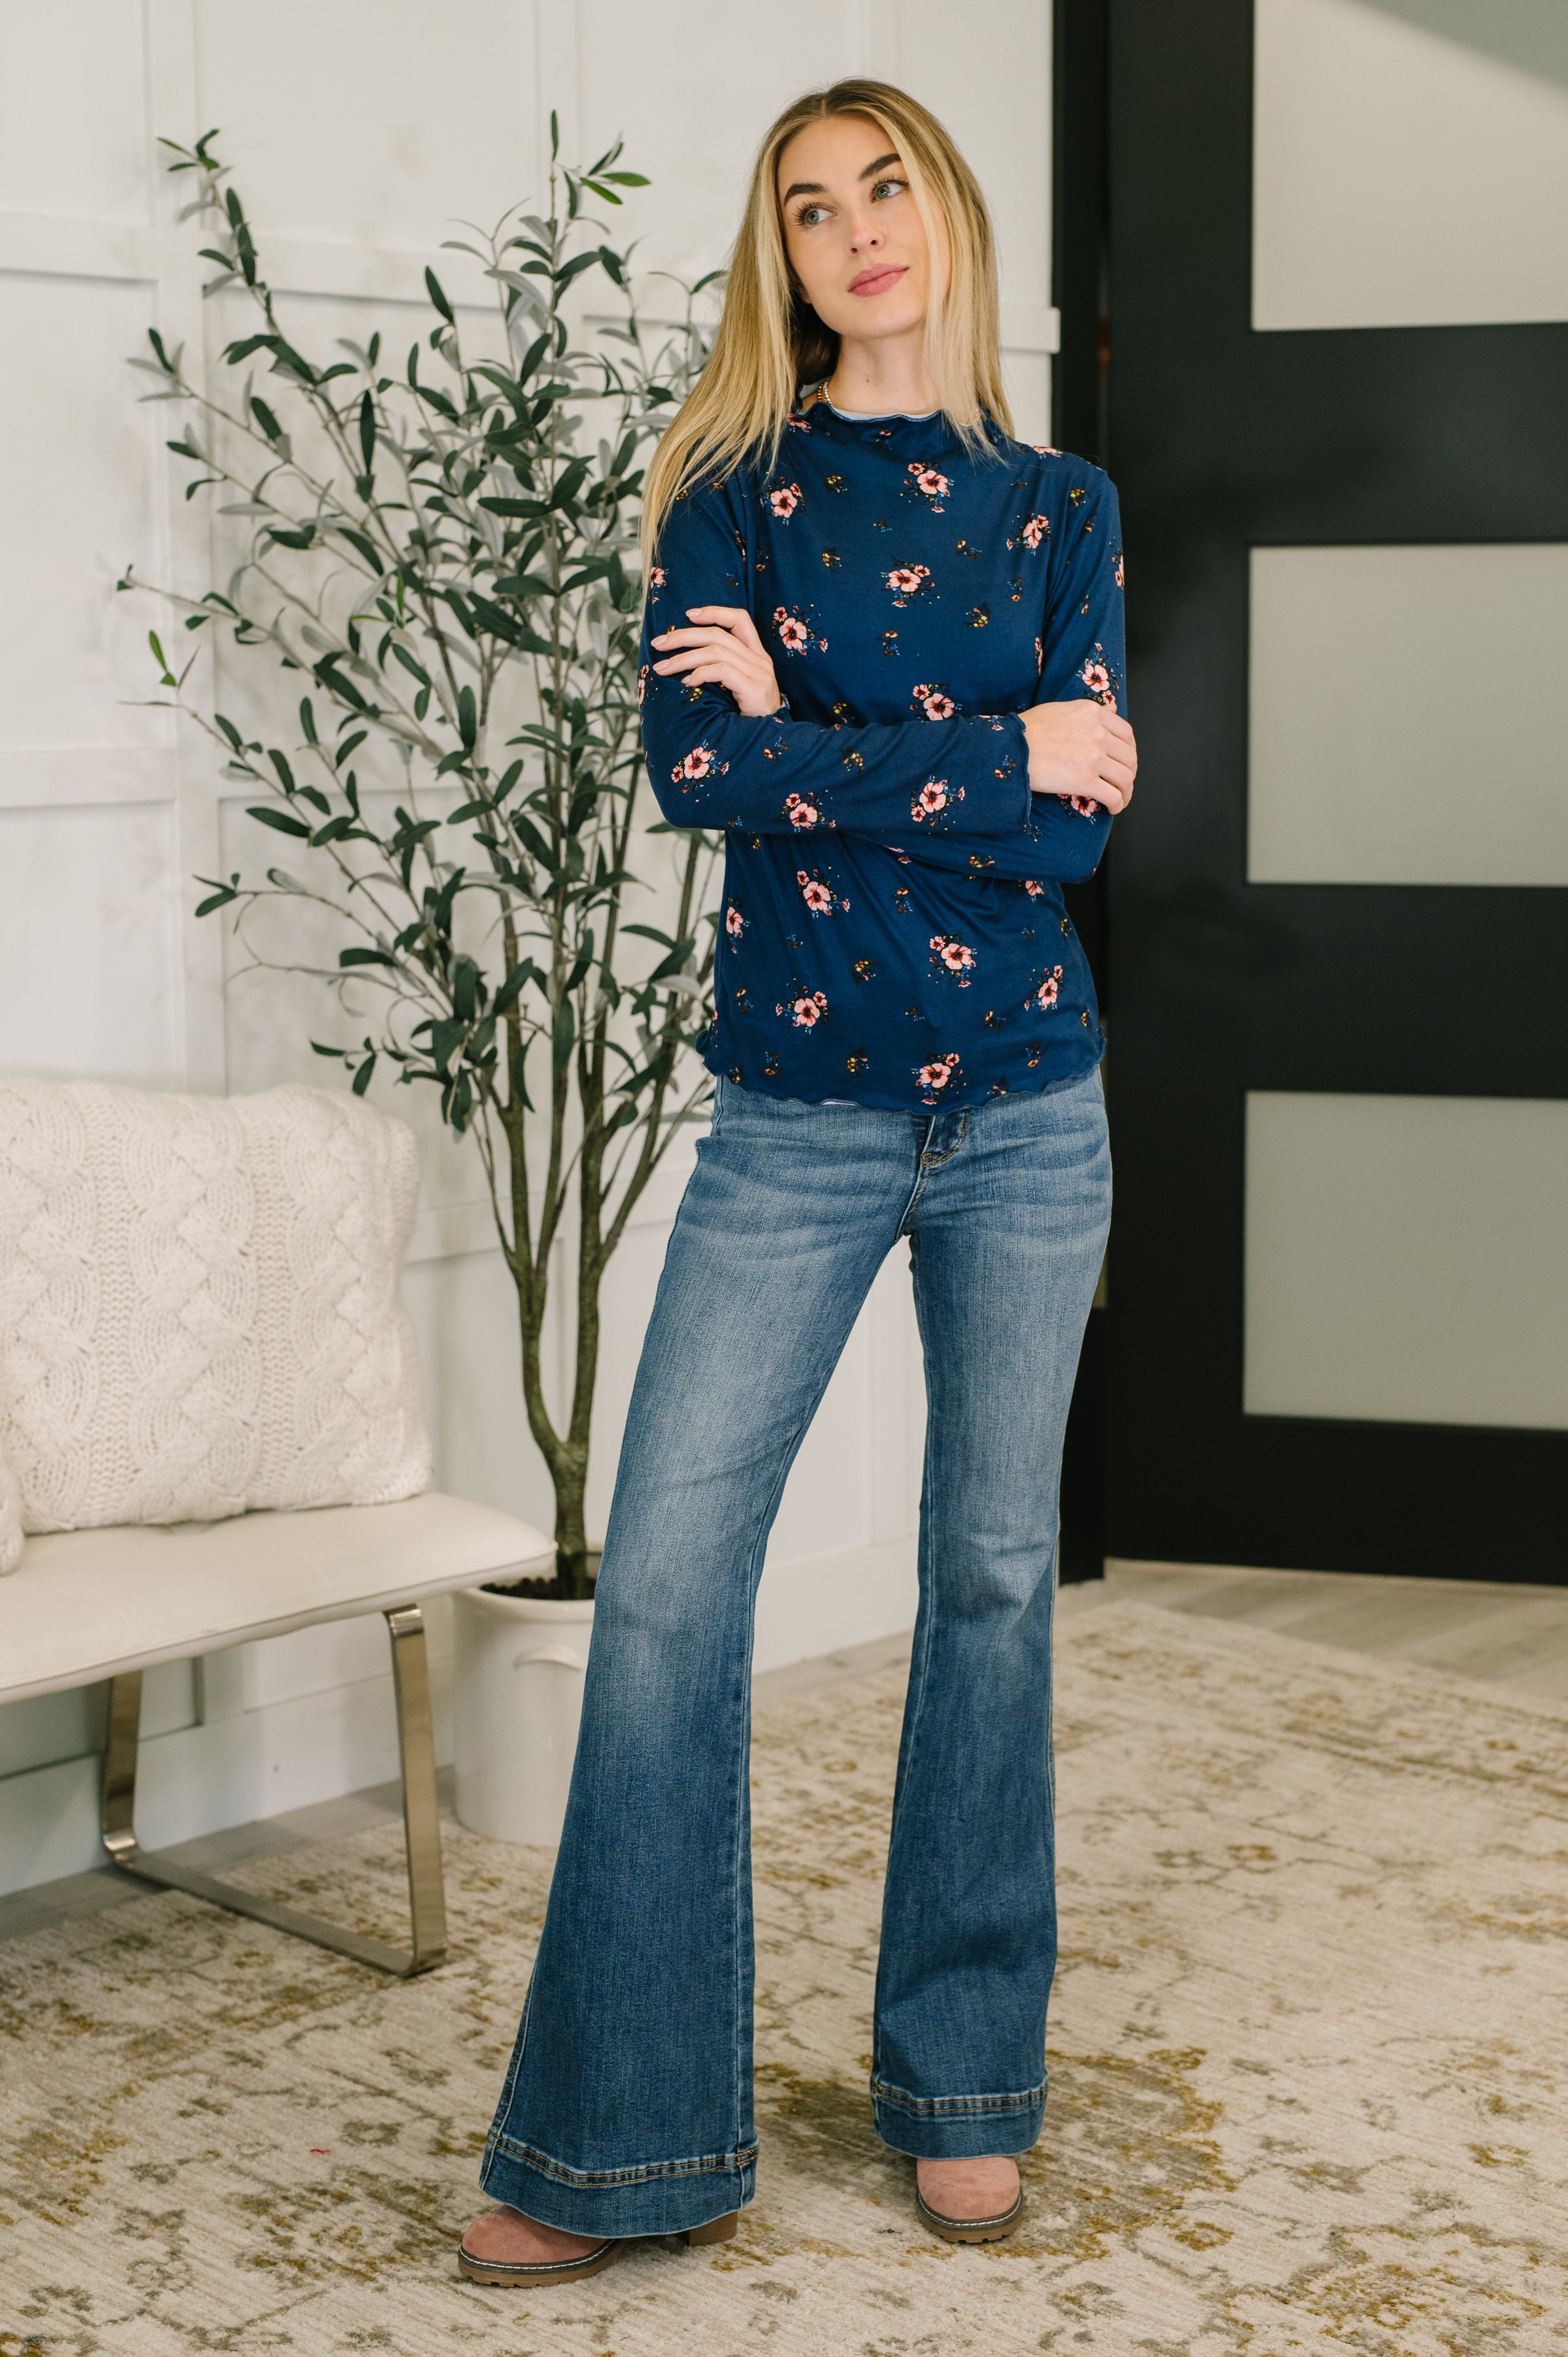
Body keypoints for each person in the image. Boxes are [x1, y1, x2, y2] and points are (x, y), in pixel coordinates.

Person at [458, 77, 1135, 2288]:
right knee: (662, 1593)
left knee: (993, 1580)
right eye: (810, 206)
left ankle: (964, 2078)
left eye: (887, 188)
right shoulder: (727, 495)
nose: (855, 231)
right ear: (780, 253)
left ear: (947, 211)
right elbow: (693, 767)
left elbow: (1075, 829)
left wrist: (822, 754)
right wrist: (980, 747)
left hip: (1033, 1111)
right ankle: (618, 2142)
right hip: (798, 1116)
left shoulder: (1063, 507)